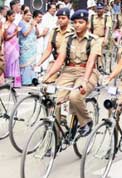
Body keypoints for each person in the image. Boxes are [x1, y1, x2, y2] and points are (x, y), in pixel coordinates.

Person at [42, 9, 102, 137]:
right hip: (69, 71)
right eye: (75, 22)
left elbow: (91, 61)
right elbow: (60, 59)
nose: (77, 25)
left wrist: (85, 81)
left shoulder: (94, 40)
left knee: (75, 96)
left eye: (80, 22)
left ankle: (86, 121)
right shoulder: (68, 38)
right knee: (56, 100)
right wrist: (47, 75)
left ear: (87, 24)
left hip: (87, 72)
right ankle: (56, 138)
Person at [37, 7, 74, 83]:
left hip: (69, 64)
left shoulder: (73, 32)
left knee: (63, 85)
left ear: (68, 19)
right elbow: (48, 49)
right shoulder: (54, 31)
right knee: (46, 81)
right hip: (56, 61)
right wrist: (39, 63)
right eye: (59, 18)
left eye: (63, 18)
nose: (60, 20)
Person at [18, 9, 38, 85]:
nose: (29, 17)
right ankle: (26, 81)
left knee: (31, 64)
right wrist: (31, 25)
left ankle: (33, 79)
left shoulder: (31, 23)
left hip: (32, 47)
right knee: (25, 64)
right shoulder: (21, 23)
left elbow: (37, 34)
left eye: (30, 15)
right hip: (25, 47)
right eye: (27, 15)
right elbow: (25, 34)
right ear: (23, 15)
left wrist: (35, 26)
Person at [3, 10, 21, 87]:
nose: (14, 18)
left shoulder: (14, 24)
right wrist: (15, 32)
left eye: (15, 16)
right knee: (9, 63)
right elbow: (6, 38)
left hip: (15, 45)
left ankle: (16, 83)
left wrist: (17, 32)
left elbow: (17, 36)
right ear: (8, 16)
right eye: (13, 16)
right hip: (8, 46)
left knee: (15, 63)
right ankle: (8, 82)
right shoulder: (5, 25)